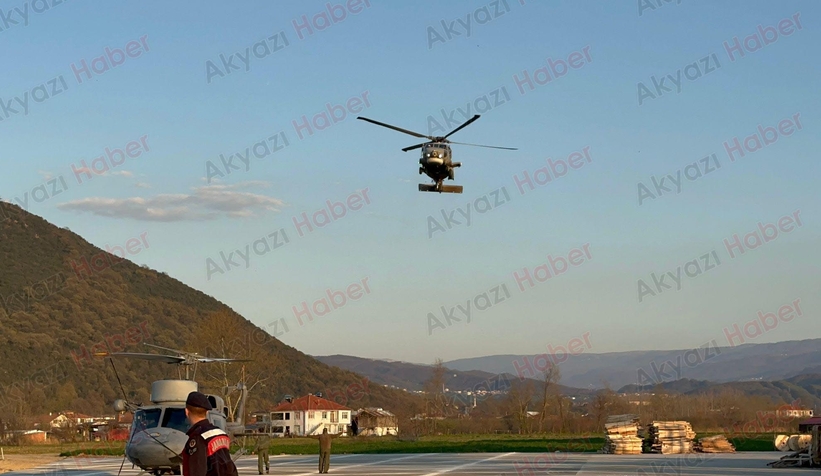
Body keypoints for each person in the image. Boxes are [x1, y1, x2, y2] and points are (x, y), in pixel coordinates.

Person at [182, 391, 238, 476]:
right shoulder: (221, 434)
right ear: (207, 412)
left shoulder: (198, 438)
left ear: (186, 412)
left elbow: (197, 471)